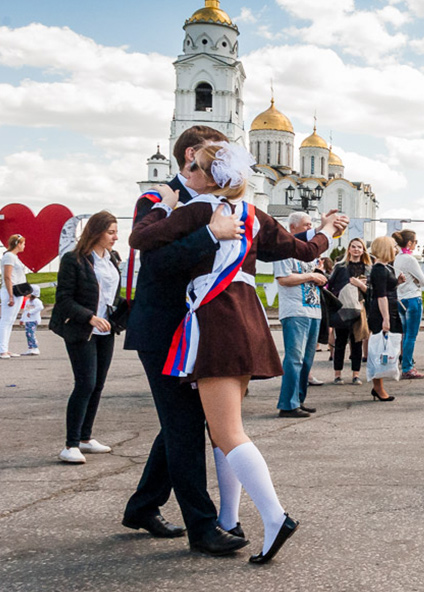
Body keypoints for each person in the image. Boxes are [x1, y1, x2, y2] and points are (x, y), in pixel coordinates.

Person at [128, 140, 345, 564]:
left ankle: (273, 517)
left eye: (194, 167)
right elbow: (302, 250)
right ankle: (224, 518)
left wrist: (169, 209)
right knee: (212, 427)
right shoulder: (252, 213)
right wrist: (326, 232)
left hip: (215, 320)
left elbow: (140, 239)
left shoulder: (197, 208)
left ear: (206, 173)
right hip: (247, 317)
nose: (188, 173)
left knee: (224, 432)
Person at [121, 125, 248, 556]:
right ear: (193, 154)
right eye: (217, 153)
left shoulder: (218, 201)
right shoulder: (157, 198)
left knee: (182, 423)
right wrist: (210, 234)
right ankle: (203, 527)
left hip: (195, 328)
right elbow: (155, 262)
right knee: (185, 426)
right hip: (162, 327)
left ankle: (143, 506)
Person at [50, 212, 122, 464]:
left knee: (98, 385)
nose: (116, 237)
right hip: (82, 330)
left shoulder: (112, 258)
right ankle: (70, 445)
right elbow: (63, 299)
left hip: (106, 331)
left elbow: (111, 295)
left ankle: (85, 438)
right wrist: (89, 317)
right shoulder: (74, 260)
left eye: (116, 232)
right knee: (85, 384)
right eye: (111, 232)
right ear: (96, 232)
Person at [274, 212, 325, 418]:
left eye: (311, 224)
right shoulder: (284, 250)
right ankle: (288, 404)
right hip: (295, 310)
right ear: (293, 228)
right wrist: (311, 275)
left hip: (313, 309)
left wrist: (318, 273)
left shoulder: (308, 252)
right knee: (294, 358)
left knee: (307, 360)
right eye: (306, 225)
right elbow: (283, 279)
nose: (309, 228)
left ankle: (299, 399)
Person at [328, 238, 371, 385]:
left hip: (360, 309)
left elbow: (372, 291)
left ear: (363, 250)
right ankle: (337, 375)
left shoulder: (368, 269)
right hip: (343, 309)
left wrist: (360, 285)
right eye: (353, 246)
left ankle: (356, 374)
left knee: (357, 341)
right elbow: (331, 286)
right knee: (340, 342)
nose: (356, 249)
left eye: (359, 247)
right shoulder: (340, 267)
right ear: (349, 249)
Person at [366, 236, 400, 402]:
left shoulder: (386, 267)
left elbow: (387, 288)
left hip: (389, 308)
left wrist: (397, 282)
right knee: (379, 349)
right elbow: (381, 295)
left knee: (384, 347)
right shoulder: (379, 269)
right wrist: (386, 319)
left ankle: (378, 386)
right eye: (393, 246)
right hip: (381, 311)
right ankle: (377, 387)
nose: (396, 249)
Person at [392, 229, 424, 380]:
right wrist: (416, 281)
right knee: (411, 335)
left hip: (401, 298)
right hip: (413, 298)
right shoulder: (410, 259)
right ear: (409, 243)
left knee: (405, 334)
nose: (416, 244)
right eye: (415, 242)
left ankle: (406, 363)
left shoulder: (397, 258)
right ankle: (407, 367)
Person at [0, 234, 29, 359]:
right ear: (18, 244)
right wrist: (10, 295)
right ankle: (2, 349)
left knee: (10, 321)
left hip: (18, 291)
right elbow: (8, 276)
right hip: (11, 291)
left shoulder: (14, 257)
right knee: (6, 320)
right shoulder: (9, 256)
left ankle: (5, 348)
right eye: (23, 244)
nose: (24, 246)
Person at [20, 286, 43, 356]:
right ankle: (30, 348)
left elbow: (40, 307)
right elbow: (25, 310)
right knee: (28, 334)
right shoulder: (28, 301)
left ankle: (35, 347)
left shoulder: (36, 301)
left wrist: (31, 312)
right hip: (28, 320)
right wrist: (22, 319)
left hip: (33, 319)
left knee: (30, 333)